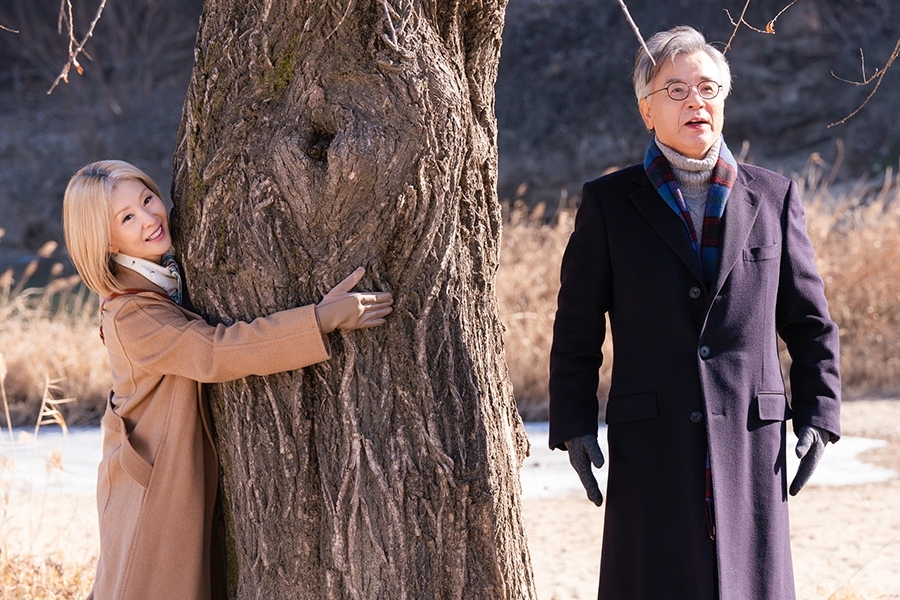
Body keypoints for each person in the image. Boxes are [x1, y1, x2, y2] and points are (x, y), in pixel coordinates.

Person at [548, 25, 841, 600]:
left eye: (708, 88)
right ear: (646, 110)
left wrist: (820, 413)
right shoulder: (609, 204)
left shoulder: (774, 197)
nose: (695, 102)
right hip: (650, 443)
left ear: (724, 100)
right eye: (676, 90)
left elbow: (810, 321)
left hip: (750, 442)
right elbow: (577, 325)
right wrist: (574, 423)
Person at [62, 160, 393, 600]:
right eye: (127, 218)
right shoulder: (131, 313)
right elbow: (216, 352)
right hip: (152, 487)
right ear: (105, 240)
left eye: (147, 199)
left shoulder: (162, 275)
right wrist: (318, 319)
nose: (149, 218)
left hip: (171, 472)